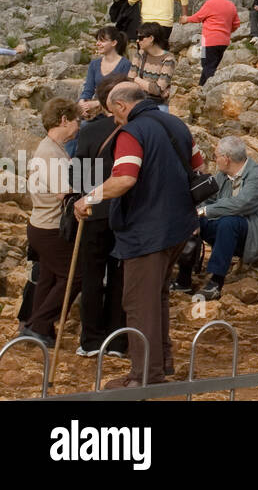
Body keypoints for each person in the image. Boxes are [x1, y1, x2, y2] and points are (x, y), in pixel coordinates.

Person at [73, 83, 202, 388]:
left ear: (120, 106)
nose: (113, 118)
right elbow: (198, 165)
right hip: (178, 226)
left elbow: (125, 179)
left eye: (111, 111)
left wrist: (87, 198)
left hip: (147, 232)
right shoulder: (176, 123)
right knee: (156, 297)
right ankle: (162, 363)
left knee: (138, 304)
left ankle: (144, 377)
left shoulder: (132, 132)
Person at [174, 136, 258, 300]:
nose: (215, 159)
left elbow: (239, 205)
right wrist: (194, 213)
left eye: (216, 156)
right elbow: (206, 199)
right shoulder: (223, 176)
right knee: (193, 220)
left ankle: (216, 283)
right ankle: (184, 280)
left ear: (226, 159)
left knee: (228, 222)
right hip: (232, 233)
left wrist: (204, 211)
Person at [16, 99, 82, 349]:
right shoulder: (50, 153)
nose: (78, 126)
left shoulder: (52, 147)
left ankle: (38, 327)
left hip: (42, 226)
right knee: (76, 275)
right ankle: (38, 325)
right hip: (49, 228)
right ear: (64, 120)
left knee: (48, 277)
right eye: (76, 121)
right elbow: (64, 193)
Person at [74, 79, 127, 358]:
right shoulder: (131, 129)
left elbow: (80, 177)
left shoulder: (91, 131)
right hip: (124, 213)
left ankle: (91, 340)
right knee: (119, 276)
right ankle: (117, 340)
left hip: (94, 212)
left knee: (92, 276)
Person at [185, 0, 241, 86]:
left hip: (209, 41)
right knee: (212, 65)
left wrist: (186, 19)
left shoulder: (210, 4)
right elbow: (236, 24)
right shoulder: (231, 5)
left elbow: (198, 17)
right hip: (224, 42)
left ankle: (211, 88)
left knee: (207, 66)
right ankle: (201, 87)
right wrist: (226, 31)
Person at [77, 27, 130, 119]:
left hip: (116, 111)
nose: (98, 44)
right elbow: (88, 89)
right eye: (97, 41)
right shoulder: (94, 64)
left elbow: (124, 93)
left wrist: (97, 103)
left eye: (102, 41)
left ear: (114, 43)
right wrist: (82, 102)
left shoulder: (126, 64)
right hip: (97, 111)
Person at [126, 23, 177, 104]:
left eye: (141, 38)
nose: (137, 41)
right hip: (137, 100)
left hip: (156, 104)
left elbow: (157, 89)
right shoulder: (139, 54)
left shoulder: (168, 59)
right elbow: (129, 80)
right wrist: (152, 88)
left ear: (151, 38)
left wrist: (137, 79)